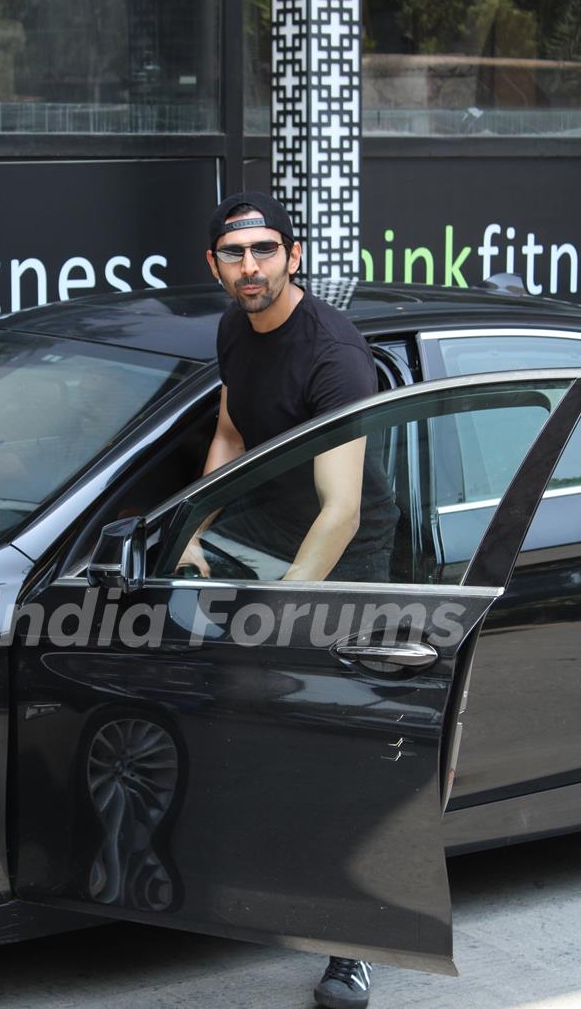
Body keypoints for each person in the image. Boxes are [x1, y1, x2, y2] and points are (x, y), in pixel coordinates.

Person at [178, 189, 399, 1008]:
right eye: (235, 255)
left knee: (332, 736)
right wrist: (196, 523)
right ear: (216, 266)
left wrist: (287, 612)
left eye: (265, 251)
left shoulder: (331, 351)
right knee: (251, 715)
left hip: (348, 550)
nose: (251, 267)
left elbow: (340, 508)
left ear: (292, 256)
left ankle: (354, 941)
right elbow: (234, 430)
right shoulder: (236, 325)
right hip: (268, 527)